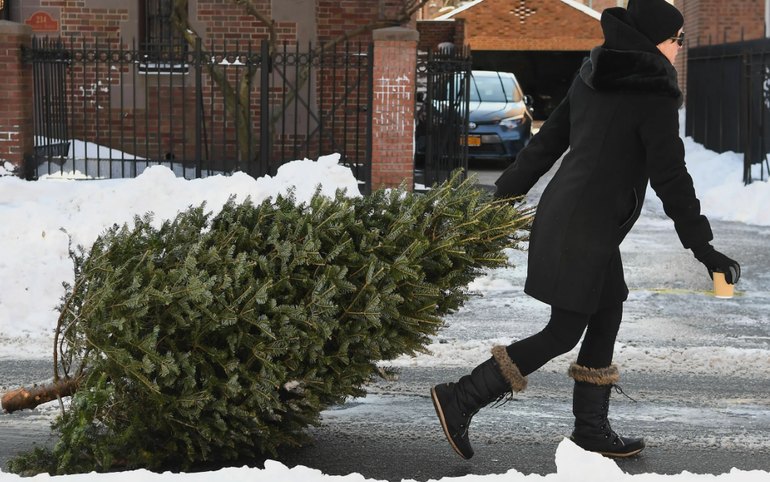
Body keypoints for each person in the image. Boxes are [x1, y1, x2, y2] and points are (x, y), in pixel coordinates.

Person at [430, 0, 742, 460]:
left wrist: (503, 197)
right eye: (677, 39)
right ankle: (462, 395)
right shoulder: (653, 92)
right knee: (563, 331)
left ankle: (591, 429)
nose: (680, 47)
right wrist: (703, 247)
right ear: (657, 41)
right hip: (584, 230)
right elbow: (671, 176)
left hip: (576, 219)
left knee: (608, 310)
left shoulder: (593, 73)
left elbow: (546, 144)